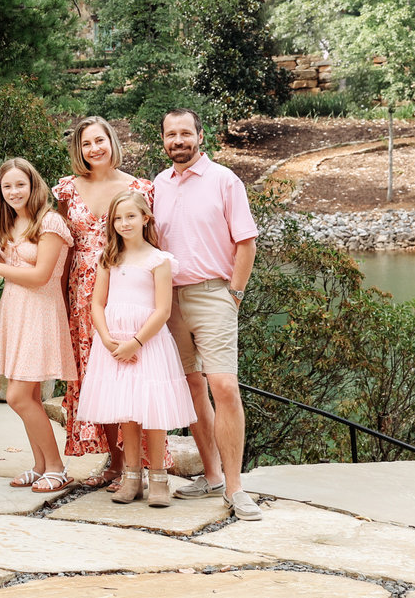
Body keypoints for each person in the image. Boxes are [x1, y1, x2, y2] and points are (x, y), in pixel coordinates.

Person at [155, 108, 262, 520]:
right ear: (163, 140)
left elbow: (246, 243)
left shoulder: (224, 181)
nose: (178, 140)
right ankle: (213, 476)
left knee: (224, 386)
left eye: (185, 133)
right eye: (170, 134)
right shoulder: (159, 186)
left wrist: (233, 295)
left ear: (200, 136)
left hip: (214, 295)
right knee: (191, 387)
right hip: (170, 301)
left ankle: (236, 489)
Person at [52, 115, 159, 489]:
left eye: (100, 141)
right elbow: (61, 246)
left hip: (128, 290)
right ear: (78, 150)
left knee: (132, 374)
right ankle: (116, 464)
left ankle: (143, 465)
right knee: (98, 376)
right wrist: (59, 297)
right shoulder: (67, 190)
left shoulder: (139, 188)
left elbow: (153, 244)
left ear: (112, 141)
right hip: (83, 293)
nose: (94, 149)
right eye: (86, 144)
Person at [75, 191, 196, 508]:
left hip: (147, 344)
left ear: (145, 218)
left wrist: (136, 342)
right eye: (117, 218)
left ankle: (158, 478)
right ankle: (131, 477)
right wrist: (106, 338)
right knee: (127, 412)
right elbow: (97, 304)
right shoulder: (109, 258)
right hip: (114, 345)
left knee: (152, 413)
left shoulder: (159, 260)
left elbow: (162, 311)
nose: (124, 223)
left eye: (130, 216)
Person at [0, 158, 78, 494]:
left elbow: (41, 276)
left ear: (34, 186)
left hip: (41, 311)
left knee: (18, 397)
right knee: (29, 395)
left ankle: (58, 468)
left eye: (21, 184)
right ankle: (40, 465)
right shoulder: (11, 223)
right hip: (14, 311)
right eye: (7, 186)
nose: (14, 191)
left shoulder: (49, 222)